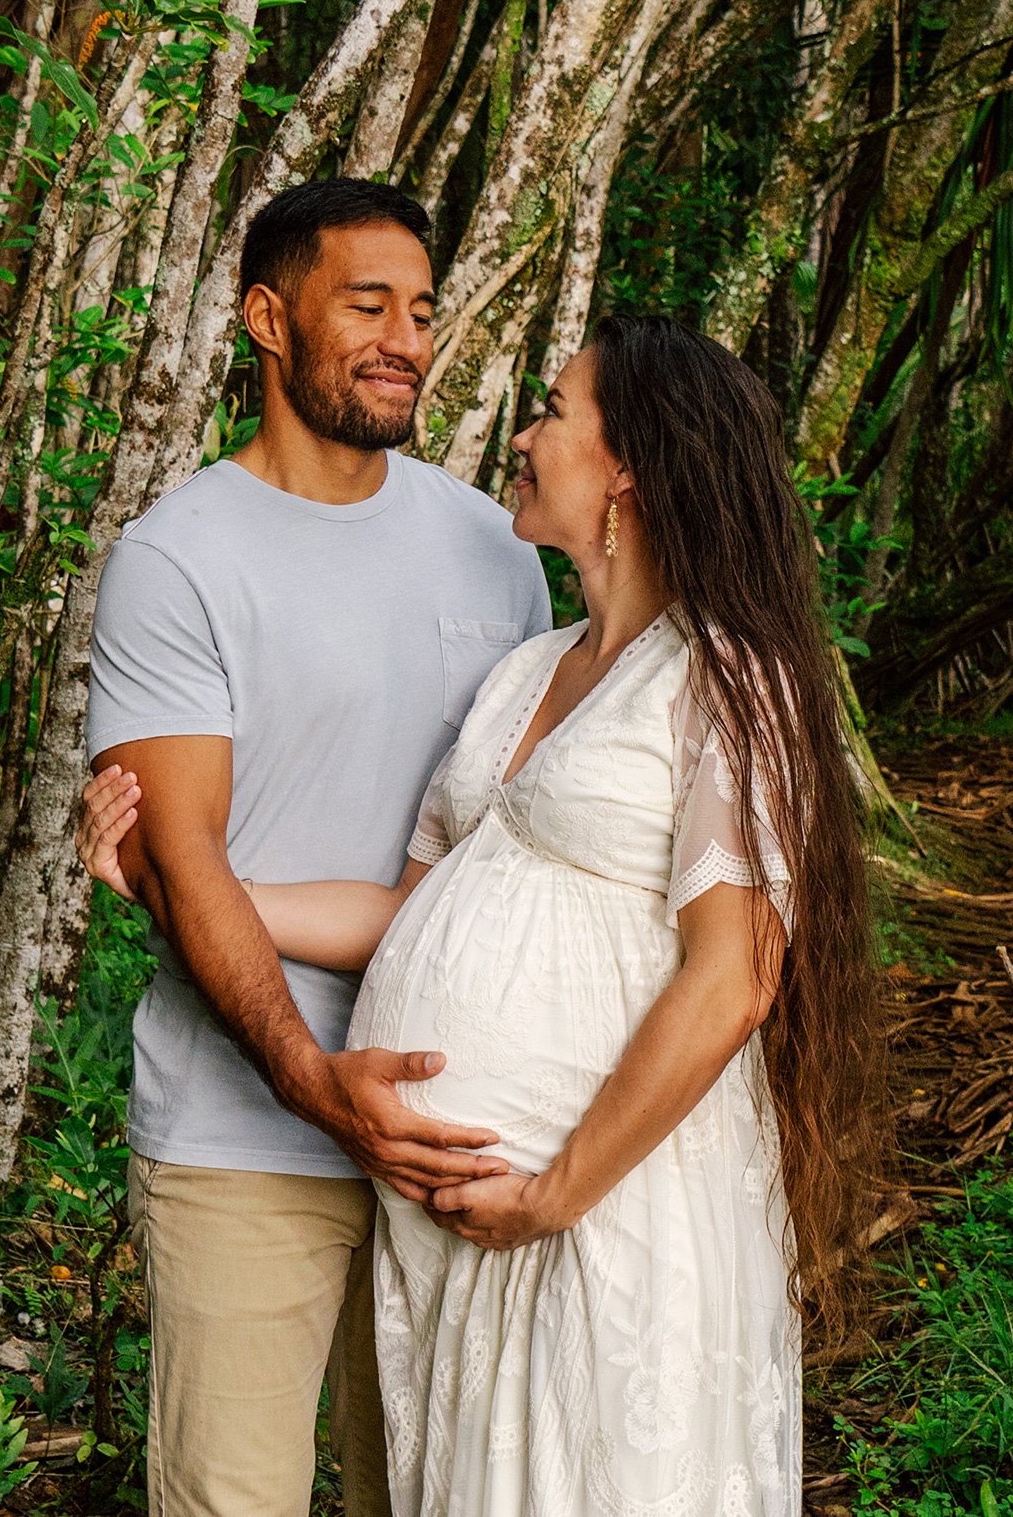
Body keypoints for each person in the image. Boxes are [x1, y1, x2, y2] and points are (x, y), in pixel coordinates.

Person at [80, 315, 887, 1516]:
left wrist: (557, 1189)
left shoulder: (728, 677)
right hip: (467, 1224)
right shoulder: (529, 670)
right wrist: (186, 886)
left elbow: (733, 980)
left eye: (554, 411)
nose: (521, 433)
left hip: (601, 1200)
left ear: (627, 466)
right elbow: (414, 913)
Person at [83, 178, 551, 1517]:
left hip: (458, 1126)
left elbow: (515, 849)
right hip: (245, 1133)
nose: (406, 336)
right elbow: (182, 855)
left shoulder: (494, 550)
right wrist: (310, 1079)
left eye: (420, 309)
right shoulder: (177, 559)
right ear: (266, 319)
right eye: (367, 305)